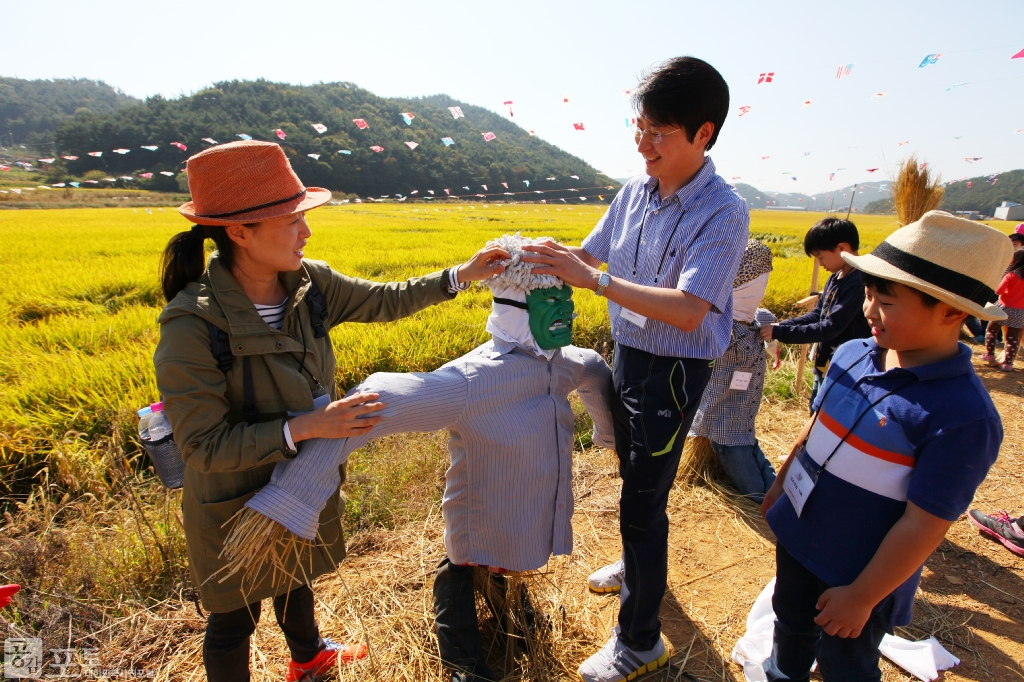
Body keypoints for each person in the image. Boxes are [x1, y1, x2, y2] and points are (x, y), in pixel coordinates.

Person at [153, 140, 507, 682]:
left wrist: (463, 275)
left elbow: (386, 299)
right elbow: (202, 447)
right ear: (239, 231)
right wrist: (310, 426)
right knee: (234, 616)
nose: (307, 232)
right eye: (291, 219)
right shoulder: (191, 325)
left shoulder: (310, 284)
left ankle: (308, 654)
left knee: (295, 572)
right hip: (233, 495)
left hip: (299, 474)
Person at [224, 234, 616, 682]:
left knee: (514, 561)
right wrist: (292, 496)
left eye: (567, 295)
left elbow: (594, 369)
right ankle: (464, 664)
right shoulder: (473, 380)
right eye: (550, 298)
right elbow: (384, 397)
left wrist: (610, 436)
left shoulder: (566, 362)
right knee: (464, 569)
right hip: (481, 513)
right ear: (515, 303)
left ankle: (516, 619)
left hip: (532, 511)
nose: (566, 309)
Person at [521, 56, 749, 682]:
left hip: (674, 369)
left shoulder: (724, 212)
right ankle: (637, 562)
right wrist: (534, 254)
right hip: (629, 355)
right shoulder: (635, 191)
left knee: (644, 501)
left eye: (660, 131)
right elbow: (589, 253)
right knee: (633, 473)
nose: (643, 142)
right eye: (639, 125)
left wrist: (590, 280)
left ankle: (640, 640)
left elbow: (687, 310)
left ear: (703, 133)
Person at [759, 211, 1007, 682]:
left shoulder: (962, 417)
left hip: (856, 573)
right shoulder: (853, 353)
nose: (869, 310)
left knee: (844, 664)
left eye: (886, 301)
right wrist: (780, 491)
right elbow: (812, 433)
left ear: (952, 312)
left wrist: (862, 597)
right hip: (798, 541)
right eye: (869, 293)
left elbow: (923, 525)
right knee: (789, 630)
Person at [687, 239, 777, 501]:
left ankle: (759, 497)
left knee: (730, 445)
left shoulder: (724, 327)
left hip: (723, 415)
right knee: (746, 440)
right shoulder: (752, 317)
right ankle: (775, 491)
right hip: (743, 406)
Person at [760, 218, 871, 411]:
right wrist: (781, 326)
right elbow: (818, 315)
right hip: (826, 364)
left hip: (848, 369)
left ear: (842, 248)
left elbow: (829, 327)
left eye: (821, 257)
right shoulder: (835, 278)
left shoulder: (857, 283)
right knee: (816, 408)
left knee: (830, 415)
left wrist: (780, 333)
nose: (820, 264)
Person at [980, 249, 1024, 371]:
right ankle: (1008, 363)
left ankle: (989, 354)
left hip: (1004, 307)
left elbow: (998, 291)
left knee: (992, 330)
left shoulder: (1011, 275)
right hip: (1021, 312)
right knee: (1013, 337)